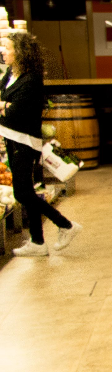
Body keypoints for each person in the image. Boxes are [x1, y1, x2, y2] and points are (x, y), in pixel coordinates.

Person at [1, 30, 77, 256]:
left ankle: (66, 225)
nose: (2, 51)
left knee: (23, 194)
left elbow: (16, 112)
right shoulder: (10, 75)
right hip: (12, 139)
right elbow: (7, 105)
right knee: (26, 191)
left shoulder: (31, 79)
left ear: (20, 52)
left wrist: (4, 107)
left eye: (7, 47)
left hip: (25, 143)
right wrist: (5, 106)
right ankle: (37, 242)